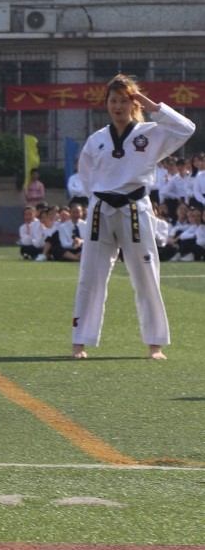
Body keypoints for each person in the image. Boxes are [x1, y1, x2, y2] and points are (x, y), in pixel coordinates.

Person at [70, 75, 195, 360]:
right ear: (106, 104)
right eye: (113, 100)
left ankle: (155, 343)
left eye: (124, 100)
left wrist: (153, 106)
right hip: (102, 209)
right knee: (90, 275)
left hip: (135, 209)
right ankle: (80, 340)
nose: (118, 106)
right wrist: (99, 200)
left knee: (146, 275)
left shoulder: (151, 133)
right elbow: (86, 176)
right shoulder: (96, 139)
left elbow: (187, 128)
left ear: (134, 102)